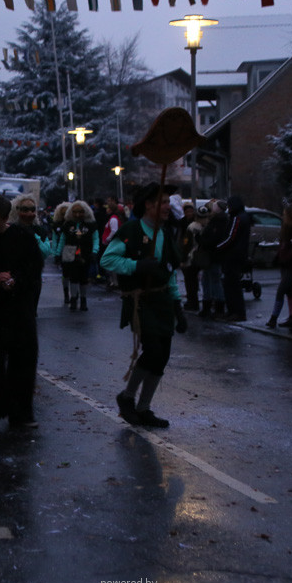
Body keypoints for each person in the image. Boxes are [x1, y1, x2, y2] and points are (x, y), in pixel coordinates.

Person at [101, 183, 187, 429]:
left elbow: (170, 272)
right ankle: (127, 397)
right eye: (162, 202)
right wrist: (136, 266)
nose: (167, 207)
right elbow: (108, 259)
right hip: (141, 300)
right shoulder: (131, 229)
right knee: (153, 352)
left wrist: (178, 307)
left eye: (168, 202)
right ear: (148, 205)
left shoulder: (165, 232)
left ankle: (143, 408)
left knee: (162, 358)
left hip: (163, 301)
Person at [0, 195, 43, 431]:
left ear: (5, 219)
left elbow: (34, 270)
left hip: (18, 309)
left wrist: (16, 280)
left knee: (23, 362)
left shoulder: (23, 238)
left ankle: (21, 412)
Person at [55, 200, 99, 312]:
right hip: (70, 254)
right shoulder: (67, 224)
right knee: (73, 277)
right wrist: (58, 253)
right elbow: (62, 240)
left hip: (86, 254)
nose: (78, 214)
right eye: (75, 212)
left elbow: (96, 238)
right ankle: (73, 298)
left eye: (81, 212)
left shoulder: (91, 224)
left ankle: (83, 299)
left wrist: (95, 251)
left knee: (84, 278)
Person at [267, 203, 292, 328]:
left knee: (282, 290)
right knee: (288, 291)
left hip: (291, 264)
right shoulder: (288, 230)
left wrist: (285, 256)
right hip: (286, 263)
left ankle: (274, 317)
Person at [215, 195, 251, 322]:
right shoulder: (243, 217)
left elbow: (231, 237)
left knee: (232, 285)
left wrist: (218, 247)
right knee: (232, 284)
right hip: (237, 254)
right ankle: (234, 311)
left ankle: (236, 311)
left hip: (232, 255)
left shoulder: (237, 219)